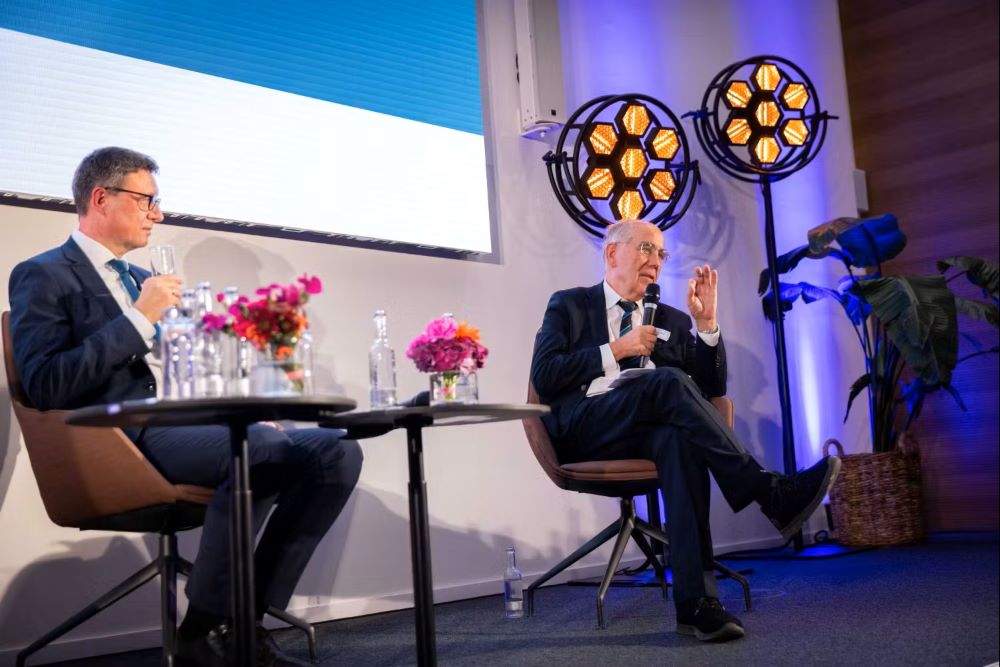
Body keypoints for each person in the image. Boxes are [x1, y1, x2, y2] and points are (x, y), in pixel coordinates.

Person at [8, 147, 363, 666]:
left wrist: (232, 409)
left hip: (174, 428)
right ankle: (204, 634)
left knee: (334, 449)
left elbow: (173, 377)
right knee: (260, 447)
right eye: (148, 200)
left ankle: (239, 620)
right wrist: (137, 318)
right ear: (101, 198)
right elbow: (44, 385)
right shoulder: (44, 274)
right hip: (114, 442)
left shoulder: (136, 279)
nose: (159, 214)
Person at [530, 219, 841, 642]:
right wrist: (617, 349)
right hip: (586, 426)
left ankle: (697, 605)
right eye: (645, 249)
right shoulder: (569, 305)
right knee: (670, 382)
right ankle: (767, 492)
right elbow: (545, 376)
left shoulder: (673, 321)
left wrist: (707, 326)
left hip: (645, 430)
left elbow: (710, 394)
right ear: (611, 254)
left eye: (661, 254)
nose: (655, 262)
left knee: (680, 436)